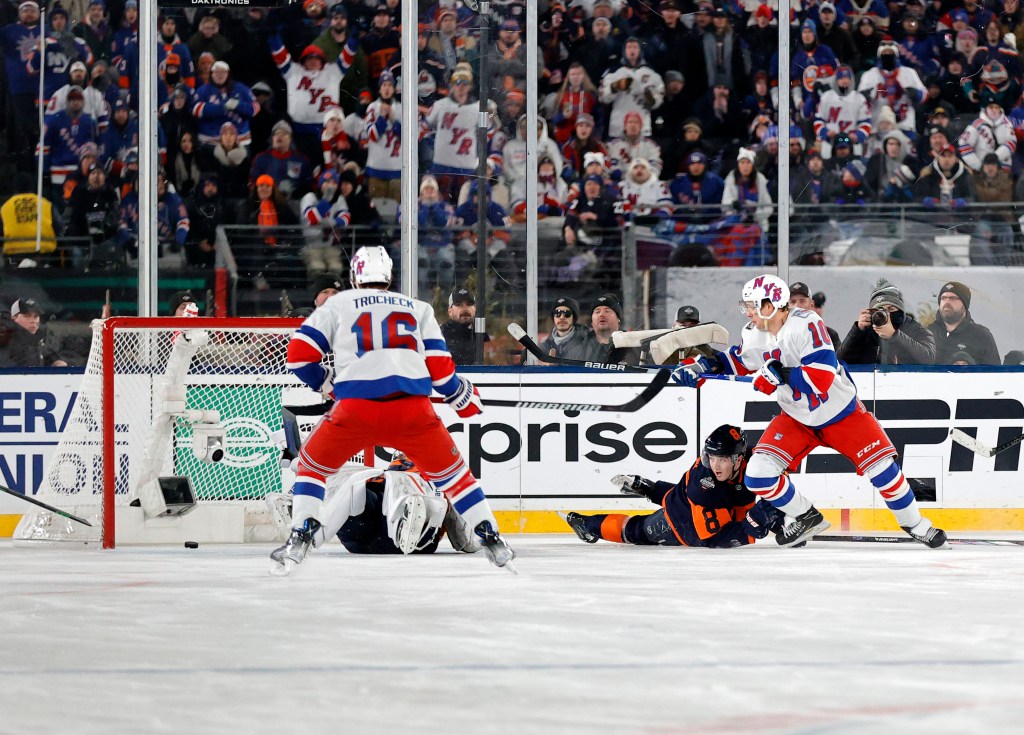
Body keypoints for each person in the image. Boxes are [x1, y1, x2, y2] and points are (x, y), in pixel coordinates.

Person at [271, 246, 514, 572]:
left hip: (355, 408)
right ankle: (491, 537)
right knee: (458, 480)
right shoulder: (419, 308)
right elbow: (441, 371)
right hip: (412, 411)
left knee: (311, 470)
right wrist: (461, 396)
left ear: (356, 276)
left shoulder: (338, 303)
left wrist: (329, 385)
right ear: (389, 277)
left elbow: (299, 357)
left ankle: (301, 536)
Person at [672, 274, 947, 549]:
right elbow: (741, 359)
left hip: (840, 413)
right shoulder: (755, 332)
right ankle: (806, 516)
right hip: (796, 418)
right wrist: (705, 367)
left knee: (885, 471)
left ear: (770, 306)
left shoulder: (807, 324)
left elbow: (823, 377)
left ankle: (915, 524)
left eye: (752, 306)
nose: (749, 312)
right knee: (757, 474)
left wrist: (781, 374)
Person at [564, 425, 784, 548]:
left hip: (697, 498)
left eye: (723, 459)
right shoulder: (705, 487)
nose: (715, 465)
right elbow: (711, 539)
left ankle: (650, 488)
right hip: (681, 523)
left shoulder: (751, 460)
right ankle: (586, 523)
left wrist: (781, 522)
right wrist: (755, 524)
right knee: (636, 530)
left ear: (738, 458)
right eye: (712, 458)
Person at [314, 453, 479, 556]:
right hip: (376, 538)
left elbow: (465, 540)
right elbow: (464, 542)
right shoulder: (380, 481)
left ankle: (410, 516)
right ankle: (309, 513)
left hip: (361, 541)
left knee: (359, 495)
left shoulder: (436, 487)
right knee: (355, 490)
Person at [838, 278, 936, 365]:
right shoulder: (865, 333)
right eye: (880, 310)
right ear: (871, 312)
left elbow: (928, 360)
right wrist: (857, 331)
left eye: (891, 309)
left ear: (901, 311)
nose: (886, 314)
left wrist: (894, 335)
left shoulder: (917, 331)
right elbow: (839, 361)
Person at [928, 281, 1000, 365]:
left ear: (965, 305)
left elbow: (994, 374)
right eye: (943, 298)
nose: (947, 302)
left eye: (953, 298)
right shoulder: (927, 334)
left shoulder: (982, 336)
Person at [1, 299, 67, 368]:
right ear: (13, 318)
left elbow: (47, 354)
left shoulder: (39, 339)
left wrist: (56, 361)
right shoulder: (5, 339)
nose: (33, 321)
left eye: (36, 316)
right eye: (27, 316)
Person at [581, 293, 640, 364]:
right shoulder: (579, 348)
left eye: (607, 311)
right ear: (592, 322)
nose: (601, 315)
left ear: (618, 319)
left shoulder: (633, 346)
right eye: (597, 312)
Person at [441, 288, 488, 366]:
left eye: (469, 304)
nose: (465, 308)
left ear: (475, 309)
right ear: (450, 311)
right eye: (459, 304)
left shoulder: (481, 335)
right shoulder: (440, 335)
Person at [537, 297, 592, 362]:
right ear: (553, 317)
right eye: (557, 313)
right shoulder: (544, 346)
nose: (562, 317)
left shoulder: (589, 341)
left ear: (573, 317)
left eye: (567, 314)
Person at [789, 282, 840, 346]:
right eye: (792, 302)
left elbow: (839, 355)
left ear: (811, 304)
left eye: (802, 301)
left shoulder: (829, 334)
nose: (797, 306)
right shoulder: (778, 333)